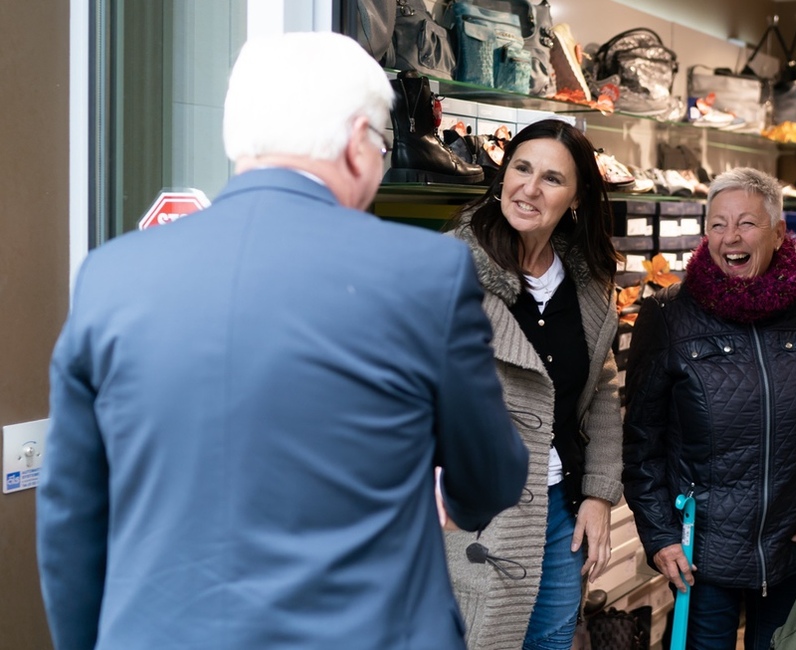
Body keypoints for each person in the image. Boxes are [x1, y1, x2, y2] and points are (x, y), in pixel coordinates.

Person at [36, 32, 528, 650]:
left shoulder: (112, 275)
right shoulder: (422, 274)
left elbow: (70, 515)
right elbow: (490, 473)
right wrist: (449, 496)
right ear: (357, 145)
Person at [622, 167, 796, 650]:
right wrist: (660, 535)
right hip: (702, 557)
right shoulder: (668, 314)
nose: (729, 237)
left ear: (779, 233)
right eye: (717, 224)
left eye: (746, 224)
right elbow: (641, 443)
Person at [443, 118, 624, 650]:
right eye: (521, 168)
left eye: (552, 178)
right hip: (474, 514)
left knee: (551, 640)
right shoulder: (451, 267)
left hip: (561, 511)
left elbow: (604, 393)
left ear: (576, 198)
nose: (529, 187)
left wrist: (597, 494)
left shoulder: (588, 280)